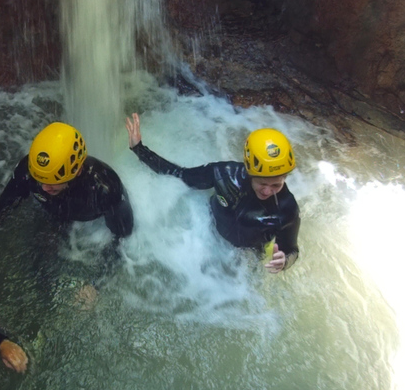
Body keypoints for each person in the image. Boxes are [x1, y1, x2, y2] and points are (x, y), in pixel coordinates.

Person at [125, 113, 300, 273]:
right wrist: (139, 149)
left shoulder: (286, 208)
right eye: (262, 183)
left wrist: (284, 261)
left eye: (276, 185)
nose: (268, 191)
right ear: (249, 172)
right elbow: (179, 175)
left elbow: (291, 250)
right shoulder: (223, 175)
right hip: (206, 234)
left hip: (247, 255)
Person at [0, 122, 134, 266]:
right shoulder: (29, 171)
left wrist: (95, 286)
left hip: (89, 221)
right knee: (39, 260)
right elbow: (4, 205)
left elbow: (121, 238)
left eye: (52, 182)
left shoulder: (104, 188)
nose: (44, 188)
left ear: (76, 171)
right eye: (40, 180)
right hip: (57, 215)